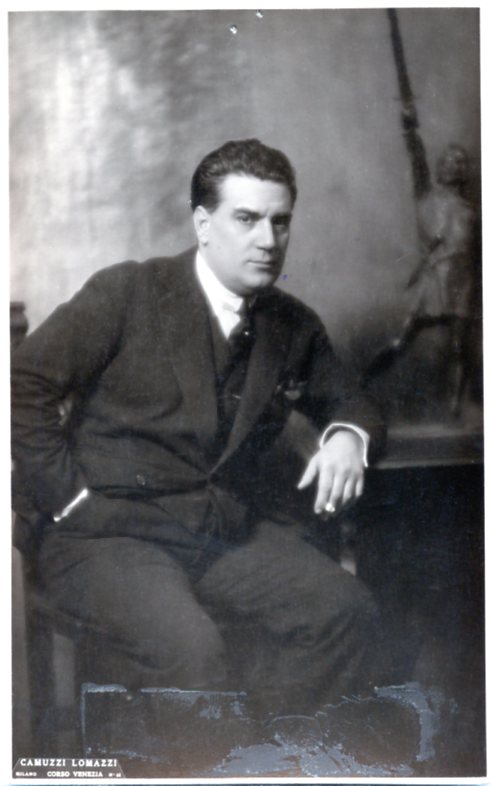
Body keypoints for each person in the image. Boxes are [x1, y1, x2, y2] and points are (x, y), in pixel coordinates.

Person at [12, 138, 386, 721]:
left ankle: (262, 756)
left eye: (280, 221)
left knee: (345, 611)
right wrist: (66, 498)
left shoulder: (292, 324)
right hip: (104, 536)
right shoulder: (128, 292)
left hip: (219, 535)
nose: (268, 240)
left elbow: (352, 400)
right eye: (247, 219)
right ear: (204, 224)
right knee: (192, 655)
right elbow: (20, 382)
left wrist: (347, 437)